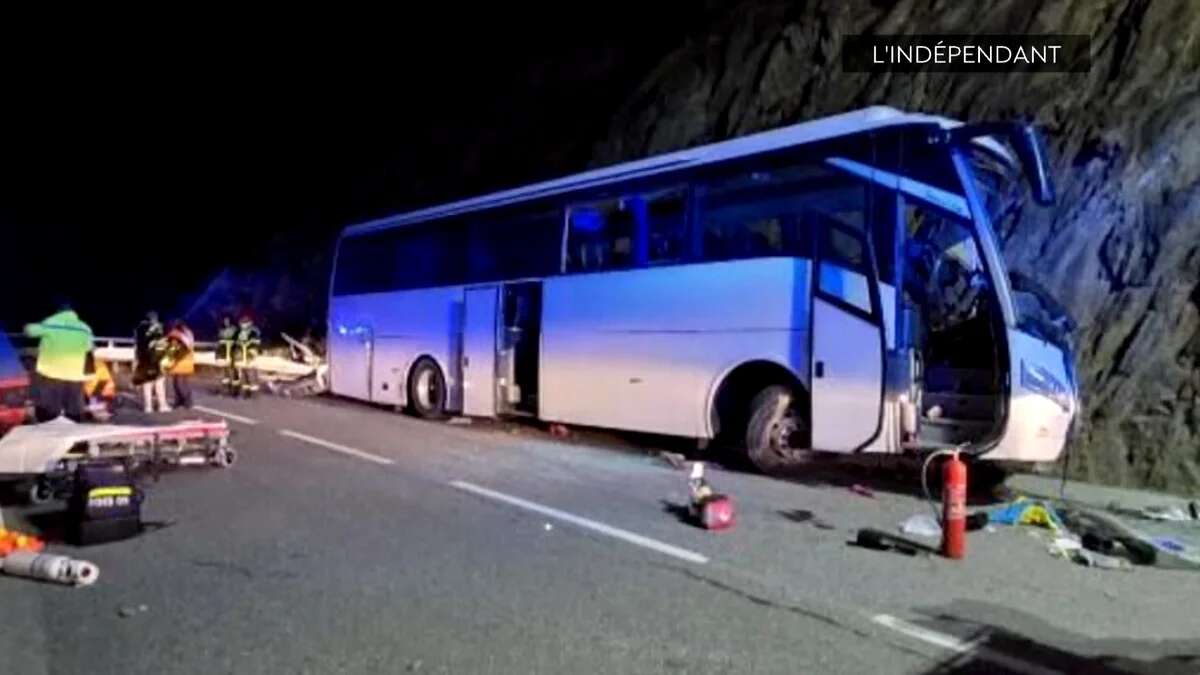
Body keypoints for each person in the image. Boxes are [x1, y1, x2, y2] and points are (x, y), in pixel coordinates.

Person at [23, 302, 93, 422]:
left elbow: (30, 331)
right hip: (75, 375)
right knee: (74, 412)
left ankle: (49, 433)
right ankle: (73, 433)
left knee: (49, 411)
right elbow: (89, 348)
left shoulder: (51, 323)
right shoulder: (85, 328)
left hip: (51, 374)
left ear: (58, 312)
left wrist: (27, 326)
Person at [134, 311, 169, 413]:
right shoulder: (158, 329)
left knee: (147, 384)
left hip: (144, 360)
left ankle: (148, 407)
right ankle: (162, 406)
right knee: (159, 383)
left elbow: (137, 346)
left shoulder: (139, 329)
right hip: (156, 360)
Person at [164, 319, 196, 409]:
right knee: (183, 383)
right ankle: (182, 401)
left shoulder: (175, 334)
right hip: (188, 361)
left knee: (178, 384)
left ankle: (185, 401)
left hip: (179, 362)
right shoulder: (188, 333)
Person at [233, 314, 261, 398]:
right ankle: (245, 392)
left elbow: (255, 344)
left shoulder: (253, 331)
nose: (242, 325)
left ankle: (254, 393)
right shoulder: (239, 332)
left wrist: (251, 355)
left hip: (250, 356)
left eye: (244, 323)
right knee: (243, 375)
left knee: (251, 374)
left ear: (249, 323)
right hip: (242, 356)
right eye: (241, 323)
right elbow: (237, 344)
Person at [216, 316, 238, 395]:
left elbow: (236, 340)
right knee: (225, 371)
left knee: (233, 370)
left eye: (227, 320)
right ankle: (225, 389)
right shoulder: (221, 330)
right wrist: (218, 355)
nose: (226, 322)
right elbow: (219, 342)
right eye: (224, 321)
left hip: (232, 352)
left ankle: (235, 390)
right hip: (224, 353)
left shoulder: (234, 329)